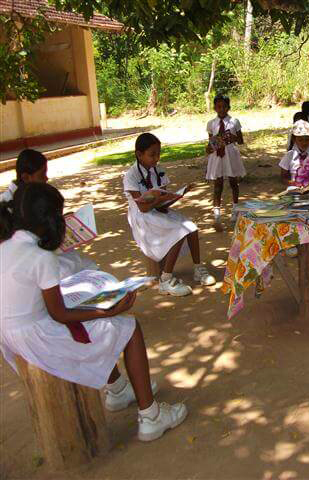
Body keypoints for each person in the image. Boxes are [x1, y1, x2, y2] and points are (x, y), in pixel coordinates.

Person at [0, 183, 187, 441]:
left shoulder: (6, 246)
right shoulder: (40, 257)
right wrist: (107, 312)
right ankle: (151, 416)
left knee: (88, 307)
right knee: (129, 327)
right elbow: (60, 315)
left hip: (11, 337)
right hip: (38, 337)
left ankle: (118, 388)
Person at [124, 133, 214, 297]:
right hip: (142, 217)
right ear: (139, 154)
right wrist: (157, 199)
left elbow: (164, 202)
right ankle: (165, 280)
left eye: (158, 154)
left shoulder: (158, 170)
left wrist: (176, 196)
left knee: (191, 227)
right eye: (152, 155)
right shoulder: (131, 175)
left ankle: (197, 268)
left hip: (158, 210)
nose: (156, 158)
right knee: (179, 232)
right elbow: (142, 209)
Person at [0, 149, 98, 277]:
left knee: (87, 267)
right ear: (25, 177)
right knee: (74, 270)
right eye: (42, 174)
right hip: (30, 259)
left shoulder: (38, 195)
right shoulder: (7, 203)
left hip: (47, 251)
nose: (46, 178)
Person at [204, 94, 245, 224]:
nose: (221, 109)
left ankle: (235, 209)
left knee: (233, 182)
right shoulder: (211, 124)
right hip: (217, 156)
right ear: (215, 108)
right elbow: (211, 142)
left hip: (230, 155)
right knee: (218, 184)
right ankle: (217, 214)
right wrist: (209, 147)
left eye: (224, 106)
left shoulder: (234, 122)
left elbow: (241, 140)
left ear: (228, 107)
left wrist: (234, 138)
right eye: (218, 106)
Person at [280, 120, 309, 186]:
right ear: (294, 139)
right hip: (295, 189)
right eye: (300, 140)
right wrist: (292, 183)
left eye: (307, 139)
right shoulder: (289, 155)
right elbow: (283, 177)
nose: (304, 143)